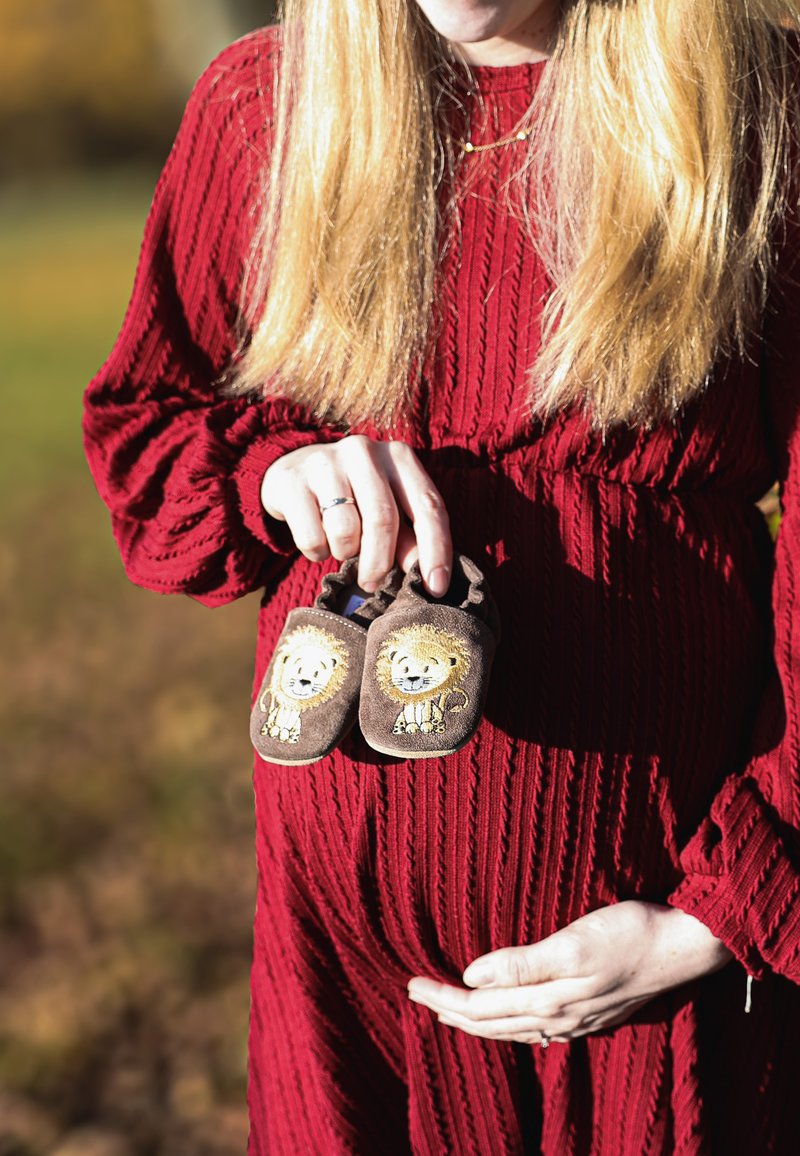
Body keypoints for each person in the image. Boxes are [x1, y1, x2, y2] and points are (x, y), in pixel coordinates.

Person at [84, 0, 800, 1151]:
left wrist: (722, 910)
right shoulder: (261, 106)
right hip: (347, 999)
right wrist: (274, 474)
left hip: (661, 983)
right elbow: (145, 430)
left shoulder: (761, 108)